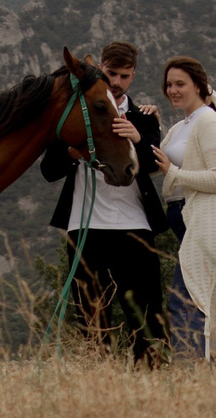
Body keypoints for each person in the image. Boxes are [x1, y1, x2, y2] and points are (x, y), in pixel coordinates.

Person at [38, 39, 167, 361]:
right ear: (101, 70)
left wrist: (136, 139)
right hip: (85, 225)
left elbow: (155, 167)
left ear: (133, 76)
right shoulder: (77, 116)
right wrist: (77, 150)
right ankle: (98, 383)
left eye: (124, 76)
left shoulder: (145, 118)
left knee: (147, 313)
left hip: (135, 224)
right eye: (111, 73)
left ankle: (150, 379)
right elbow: (49, 170)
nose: (117, 82)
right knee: (90, 314)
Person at [153, 55, 216, 363]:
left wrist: (175, 173)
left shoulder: (209, 122)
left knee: (187, 299)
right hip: (188, 220)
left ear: (198, 85)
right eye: (169, 84)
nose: (173, 90)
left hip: (208, 219)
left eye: (180, 84)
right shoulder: (182, 125)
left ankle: (189, 375)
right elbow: (157, 162)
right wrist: (138, 127)